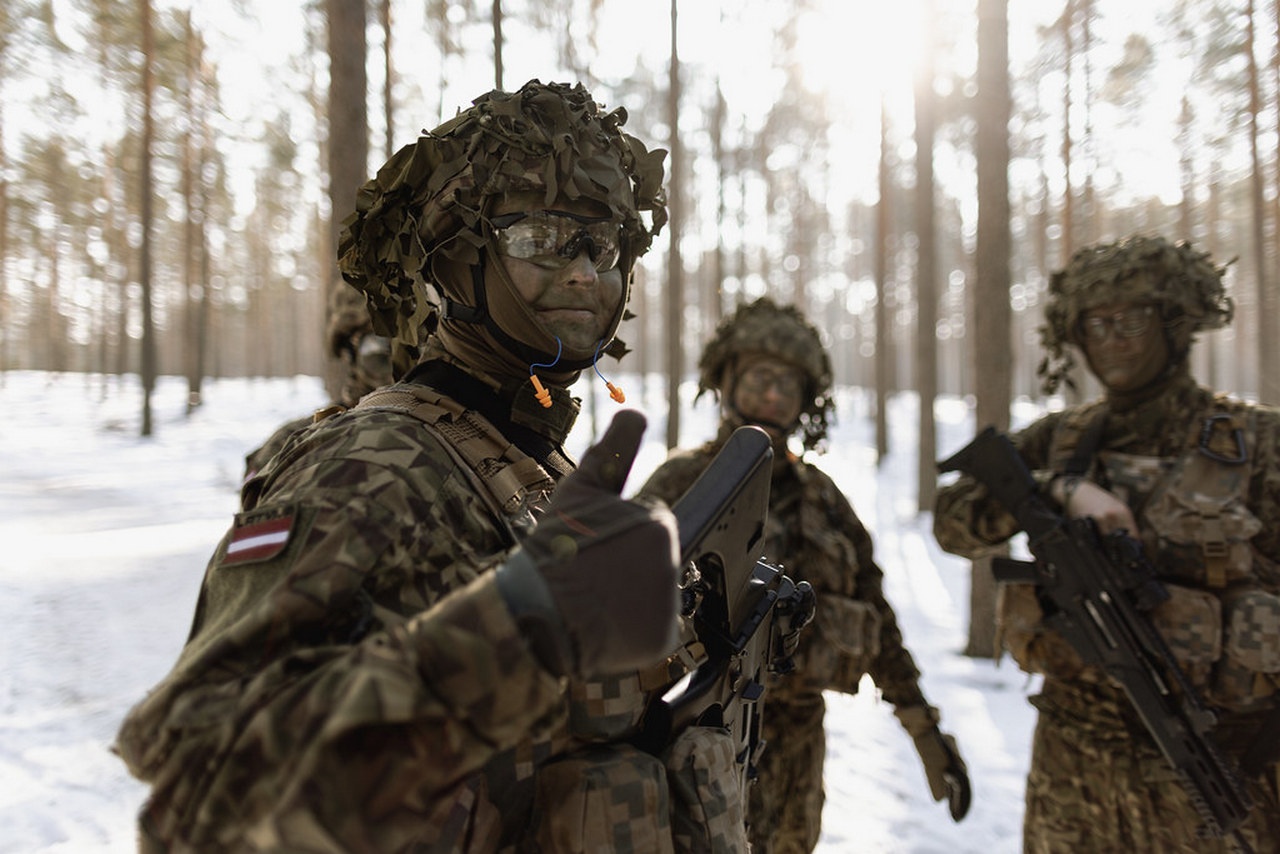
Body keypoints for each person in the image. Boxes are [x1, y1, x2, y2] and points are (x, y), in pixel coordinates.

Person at [112, 80, 739, 852]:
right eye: (540, 240)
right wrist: (520, 630)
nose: (582, 273)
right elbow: (204, 804)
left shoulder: (527, 455)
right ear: (454, 264)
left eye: (600, 245)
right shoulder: (372, 463)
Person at [933, 234, 1280, 852]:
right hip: (1074, 771)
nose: (1112, 339)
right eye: (1095, 324)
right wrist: (1059, 489)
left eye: (1132, 320)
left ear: (1175, 321)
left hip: (1217, 770)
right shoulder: (1065, 439)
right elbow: (953, 522)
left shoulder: (1256, 444)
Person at [639, 297, 971, 854]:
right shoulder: (681, 482)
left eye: (788, 386)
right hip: (691, 747)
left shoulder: (824, 499)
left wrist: (923, 731)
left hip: (794, 756)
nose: (773, 395)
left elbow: (879, 621)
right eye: (760, 379)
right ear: (728, 380)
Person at [242, 287, 394, 480]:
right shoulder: (292, 444)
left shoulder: (439, 428)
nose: (396, 358)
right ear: (348, 350)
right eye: (378, 344)